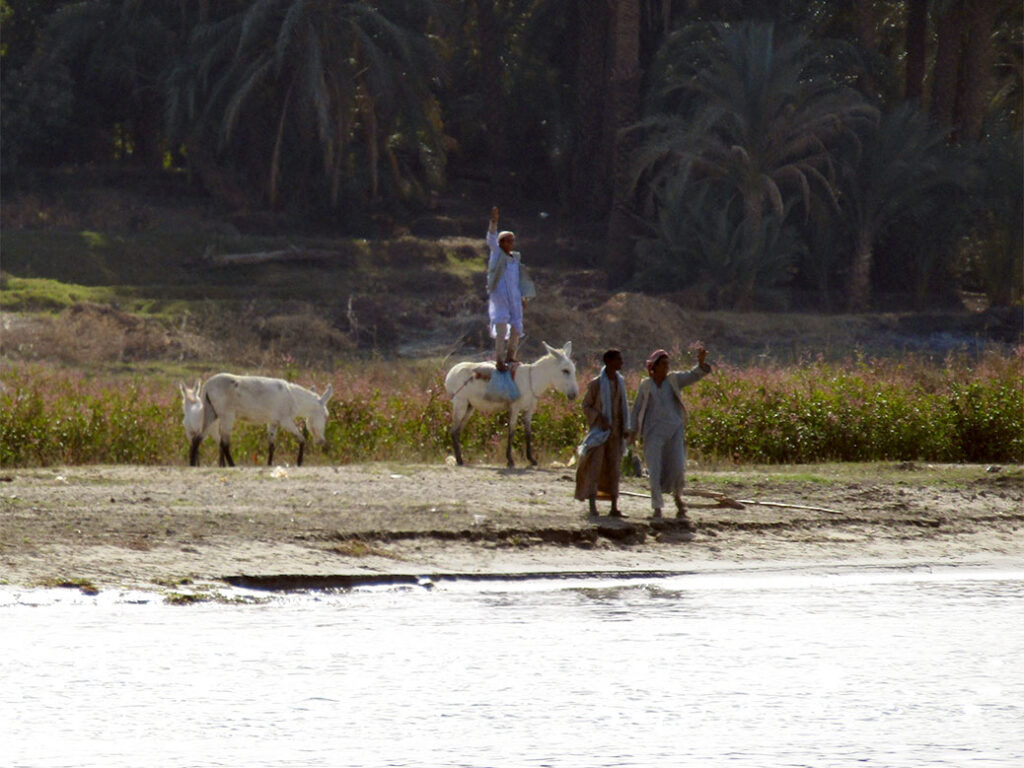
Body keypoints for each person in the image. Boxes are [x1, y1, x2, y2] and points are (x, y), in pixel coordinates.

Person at [629, 346, 712, 520]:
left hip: (674, 432)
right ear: (655, 366)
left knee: (677, 468)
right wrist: (632, 431)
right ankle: (657, 508)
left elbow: (693, 375)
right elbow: (636, 409)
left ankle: (678, 500)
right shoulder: (646, 385)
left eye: (668, 364)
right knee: (655, 470)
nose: (667, 367)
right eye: (663, 364)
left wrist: (701, 363)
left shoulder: (674, 380)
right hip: (653, 434)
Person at [574, 349, 629, 518]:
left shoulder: (620, 382)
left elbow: (623, 407)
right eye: (618, 360)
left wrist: (625, 429)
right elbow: (586, 405)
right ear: (609, 362)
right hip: (600, 433)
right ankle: (592, 506)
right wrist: (600, 418)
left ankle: (614, 507)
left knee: (614, 469)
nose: (622, 363)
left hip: (616, 433)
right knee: (595, 468)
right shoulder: (596, 384)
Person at [486, 206, 534, 371]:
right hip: (500, 296)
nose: (510, 243)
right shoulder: (497, 254)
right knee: (501, 326)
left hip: (514, 296)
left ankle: (510, 357)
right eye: (507, 240)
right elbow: (491, 238)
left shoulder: (515, 259)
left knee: (516, 327)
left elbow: (520, 280)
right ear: (501, 242)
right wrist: (494, 222)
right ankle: (499, 359)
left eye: (512, 240)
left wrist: (523, 297)